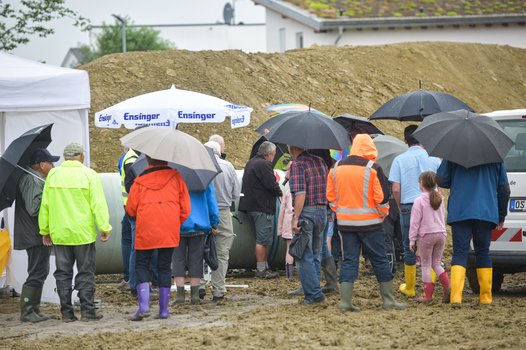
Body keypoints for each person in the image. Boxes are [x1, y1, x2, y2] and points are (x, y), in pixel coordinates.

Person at [327, 134, 405, 312]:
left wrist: (340, 212)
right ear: (370, 148)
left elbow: (331, 197)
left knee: (349, 261)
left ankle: (345, 303)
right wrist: (381, 215)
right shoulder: (373, 168)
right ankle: (388, 301)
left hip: (346, 225)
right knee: (379, 259)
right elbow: (382, 198)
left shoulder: (336, 168)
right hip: (371, 225)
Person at [39, 143, 111, 322]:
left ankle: (67, 313)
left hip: (60, 234)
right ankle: (87, 312)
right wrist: (104, 227)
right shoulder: (89, 175)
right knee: (85, 272)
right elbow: (98, 204)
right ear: (81, 157)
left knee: (63, 273)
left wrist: (45, 230)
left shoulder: (53, 175)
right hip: (82, 234)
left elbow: (45, 205)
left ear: (65, 157)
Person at [437, 160, 510, 306]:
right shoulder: (495, 157)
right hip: (485, 211)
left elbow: (441, 180)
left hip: (460, 211)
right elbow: (504, 189)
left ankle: (456, 297)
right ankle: (486, 297)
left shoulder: (454, 154)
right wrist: (501, 215)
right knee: (483, 252)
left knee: (459, 252)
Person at [126, 155, 190, 320]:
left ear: (147, 160)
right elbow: (186, 208)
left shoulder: (139, 181)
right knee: (164, 267)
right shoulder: (176, 177)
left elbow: (131, 209)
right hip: (169, 228)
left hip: (146, 227)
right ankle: (163, 310)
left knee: (141, 265)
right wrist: (175, 222)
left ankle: (143, 306)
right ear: (166, 159)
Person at [389, 125, 441, 297]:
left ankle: (410, 287)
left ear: (405, 140)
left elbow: (396, 189)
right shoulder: (433, 158)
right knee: (432, 248)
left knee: (408, 245)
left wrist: (399, 205)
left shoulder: (399, 160)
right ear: (422, 138)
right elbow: (439, 184)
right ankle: (430, 286)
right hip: (433, 204)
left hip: (408, 205)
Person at [14, 148, 59, 322]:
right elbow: (35, 209)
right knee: (36, 272)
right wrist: (51, 198)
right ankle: (27, 311)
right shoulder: (32, 180)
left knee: (40, 270)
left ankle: (34, 309)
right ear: (42, 165)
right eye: (51, 163)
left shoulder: (35, 178)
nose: (53, 166)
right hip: (34, 234)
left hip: (35, 234)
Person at [287, 145, 328, 304]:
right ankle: (314, 288)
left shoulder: (298, 164)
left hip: (307, 212)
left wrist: (295, 218)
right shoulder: (320, 161)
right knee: (317, 253)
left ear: (292, 149)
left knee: (303, 255)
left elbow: (301, 193)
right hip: (322, 211)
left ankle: (313, 294)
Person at [203, 140, 241, 301]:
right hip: (223, 212)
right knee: (222, 253)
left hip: (202, 212)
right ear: (219, 151)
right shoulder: (228, 166)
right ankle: (218, 289)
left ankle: (198, 287)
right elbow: (235, 194)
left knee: (198, 250)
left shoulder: (199, 166)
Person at [239, 141, 282, 279]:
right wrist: (280, 191)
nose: (273, 157)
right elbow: (271, 184)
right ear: (268, 154)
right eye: (274, 155)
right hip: (262, 206)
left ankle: (263, 266)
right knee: (263, 239)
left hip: (250, 205)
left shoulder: (251, 162)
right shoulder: (264, 164)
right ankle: (261, 269)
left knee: (262, 238)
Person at [173, 182, 219, 305]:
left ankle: (180, 296)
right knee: (196, 259)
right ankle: (195, 296)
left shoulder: (173, 177)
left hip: (177, 224)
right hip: (199, 224)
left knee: (178, 259)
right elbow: (211, 201)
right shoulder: (203, 178)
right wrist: (214, 222)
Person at [408, 171, 450, 303]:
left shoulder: (419, 201)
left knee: (426, 265)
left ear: (421, 183)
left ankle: (428, 296)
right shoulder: (440, 198)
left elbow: (415, 222)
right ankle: (448, 287)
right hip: (441, 234)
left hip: (426, 235)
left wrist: (412, 239)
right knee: (437, 263)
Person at [118, 147, 138, 291]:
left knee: (128, 241)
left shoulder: (126, 157)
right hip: (135, 208)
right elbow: (131, 185)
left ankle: (129, 278)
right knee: (135, 245)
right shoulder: (132, 159)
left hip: (129, 206)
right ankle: (133, 280)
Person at [277, 160, 294, 279]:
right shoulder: (304, 190)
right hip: (301, 223)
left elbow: (282, 211)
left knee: (290, 248)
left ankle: (289, 275)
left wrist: (280, 229)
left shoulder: (288, 192)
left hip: (289, 223)